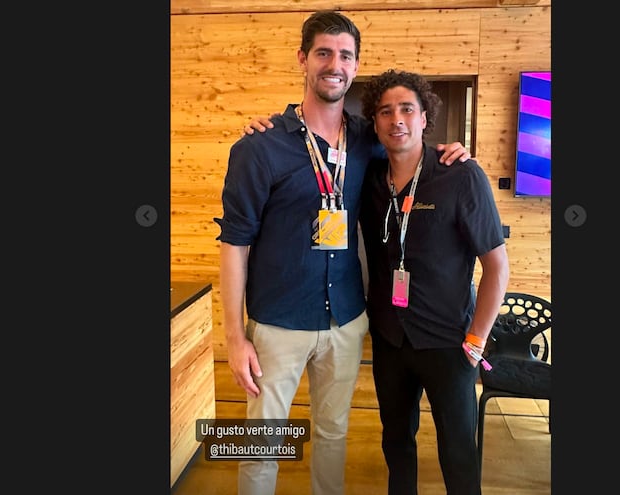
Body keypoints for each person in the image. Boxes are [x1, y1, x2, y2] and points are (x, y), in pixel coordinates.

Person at [215, 11, 471, 495]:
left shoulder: (368, 141)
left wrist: (451, 152)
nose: (335, 64)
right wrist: (234, 337)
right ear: (303, 59)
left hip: (346, 322)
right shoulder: (260, 148)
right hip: (277, 325)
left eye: (346, 56)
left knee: (334, 434)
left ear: (355, 67)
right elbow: (234, 245)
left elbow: (410, 143)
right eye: (324, 53)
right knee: (260, 446)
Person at [357, 69, 509, 495]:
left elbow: (497, 268)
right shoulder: (369, 178)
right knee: (396, 445)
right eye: (385, 111)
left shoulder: (460, 175)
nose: (396, 119)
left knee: (458, 453)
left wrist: (476, 341)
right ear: (375, 122)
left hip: (450, 344)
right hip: (390, 340)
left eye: (407, 108)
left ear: (425, 117)